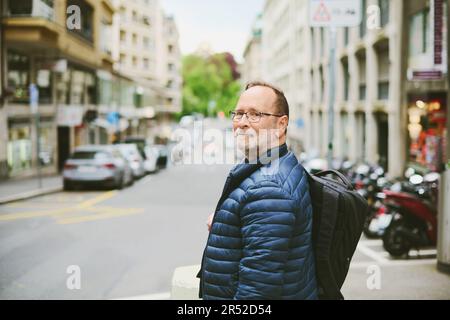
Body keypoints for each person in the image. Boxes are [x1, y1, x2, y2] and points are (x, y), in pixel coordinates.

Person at [197, 81, 318, 300]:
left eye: (254, 115)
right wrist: (231, 219)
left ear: (281, 125)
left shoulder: (269, 189)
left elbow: (257, 295)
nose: (242, 123)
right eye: (239, 113)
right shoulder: (280, 164)